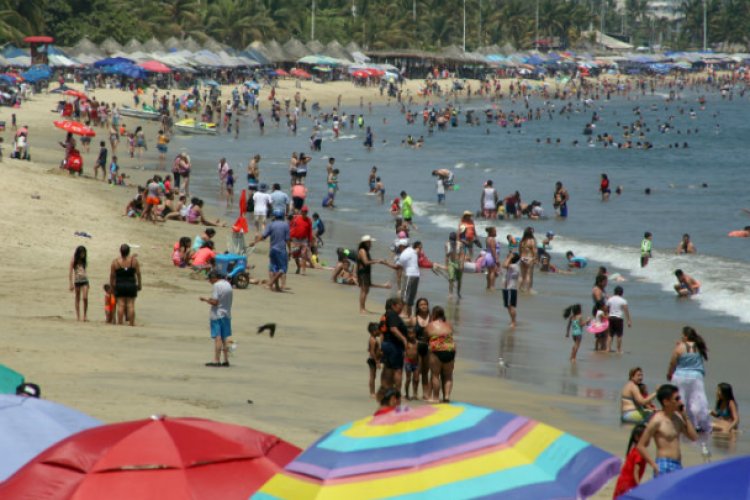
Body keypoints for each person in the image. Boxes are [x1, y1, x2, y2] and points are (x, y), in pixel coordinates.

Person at [637, 384, 699, 477]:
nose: (680, 402)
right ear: (666, 402)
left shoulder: (677, 419)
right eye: (677, 399)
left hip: (677, 464)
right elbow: (641, 445)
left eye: (680, 398)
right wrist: (654, 465)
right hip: (663, 464)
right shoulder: (657, 420)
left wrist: (685, 416)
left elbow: (694, 437)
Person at [667, 326, 711, 434]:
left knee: (680, 400)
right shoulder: (699, 346)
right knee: (698, 400)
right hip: (696, 377)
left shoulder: (680, 347)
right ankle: (699, 424)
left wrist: (669, 373)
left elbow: (673, 362)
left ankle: (681, 423)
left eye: (682, 335)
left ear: (686, 336)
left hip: (680, 376)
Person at [200, 270, 233, 367]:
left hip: (217, 315)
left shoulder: (217, 285)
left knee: (218, 338)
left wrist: (205, 299)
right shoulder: (228, 284)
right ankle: (226, 360)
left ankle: (216, 360)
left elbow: (215, 302)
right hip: (227, 314)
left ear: (214, 278)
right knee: (224, 338)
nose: (209, 281)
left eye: (210, 279)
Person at [253, 209, 290, 292]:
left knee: (273, 268)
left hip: (272, 249)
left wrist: (254, 242)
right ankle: (271, 283)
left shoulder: (271, 225)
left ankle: (276, 287)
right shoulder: (286, 225)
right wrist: (290, 250)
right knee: (282, 269)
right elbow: (288, 239)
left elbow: (263, 236)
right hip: (281, 250)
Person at [426, 305, 456, 403]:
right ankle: (446, 396)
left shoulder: (431, 325)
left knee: (435, 375)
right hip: (450, 349)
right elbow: (451, 334)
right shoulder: (449, 324)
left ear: (433, 314)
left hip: (437, 349)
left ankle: (435, 397)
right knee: (448, 375)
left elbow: (426, 337)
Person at [356, 235, 390, 314]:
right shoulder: (362, 251)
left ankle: (363, 308)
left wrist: (379, 260)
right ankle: (362, 309)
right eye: (370, 242)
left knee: (366, 290)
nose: (371, 244)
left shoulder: (365, 250)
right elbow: (366, 262)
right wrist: (378, 261)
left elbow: (369, 261)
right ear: (366, 243)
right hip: (363, 273)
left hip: (365, 272)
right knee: (364, 291)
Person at [110, 244, 141, 326]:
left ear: (120, 251)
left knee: (121, 304)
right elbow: (138, 274)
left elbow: (112, 275)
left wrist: (112, 286)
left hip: (120, 285)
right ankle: (131, 323)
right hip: (131, 284)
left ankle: (120, 323)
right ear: (129, 251)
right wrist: (139, 284)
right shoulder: (134, 261)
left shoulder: (115, 262)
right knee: (131, 304)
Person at [381, 298, 408, 391]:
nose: (402, 308)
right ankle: (397, 392)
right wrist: (404, 340)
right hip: (394, 346)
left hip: (387, 343)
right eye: (401, 305)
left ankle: (385, 389)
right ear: (393, 305)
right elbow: (393, 329)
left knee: (388, 368)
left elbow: (382, 332)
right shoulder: (393, 314)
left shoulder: (386, 315)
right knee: (397, 370)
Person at [612, 424, 647, 498]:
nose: (648, 439)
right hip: (629, 486)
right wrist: (639, 487)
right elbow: (636, 472)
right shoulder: (639, 453)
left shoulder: (634, 450)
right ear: (637, 437)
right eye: (646, 436)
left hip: (621, 483)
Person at [394, 240, 422, 318]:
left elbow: (396, 267)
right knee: (411, 296)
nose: (398, 248)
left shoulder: (404, 254)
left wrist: (385, 263)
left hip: (410, 275)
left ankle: (404, 313)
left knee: (404, 295)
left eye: (399, 246)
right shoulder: (412, 250)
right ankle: (409, 313)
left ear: (402, 246)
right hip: (417, 275)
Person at [606, 286, 632, 353]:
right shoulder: (623, 300)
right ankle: (618, 349)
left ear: (614, 292)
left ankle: (608, 348)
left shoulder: (610, 299)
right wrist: (629, 320)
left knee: (610, 334)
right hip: (618, 318)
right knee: (619, 335)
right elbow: (626, 311)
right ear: (622, 293)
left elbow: (607, 308)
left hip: (611, 317)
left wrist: (607, 316)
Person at [289, 206, 313, 275]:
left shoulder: (309, 221)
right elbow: (291, 227)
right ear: (301, 212)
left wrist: (310, 241)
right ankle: (298, 267)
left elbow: (310, 232)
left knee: (303, 254)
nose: (304, 213)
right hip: (296, 239)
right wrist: (290, 236)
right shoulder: (296, 219)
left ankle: (303, 270)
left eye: (306, 212)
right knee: (295, 255)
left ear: (307, 212)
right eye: (303, 211)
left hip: (304, 240)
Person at [69, 246, 89, 322]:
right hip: (77, 281)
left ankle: (85, 315)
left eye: (84, 253)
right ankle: (78, 316)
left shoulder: (84, 260)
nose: (83, 254)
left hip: (85, 280)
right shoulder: (74, 260)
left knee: (85, 297)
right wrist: (70, 283)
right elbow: (70, 272)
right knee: (77, 298)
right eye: (81, 253)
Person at [501, 252, 521, 327]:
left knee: (510, 306)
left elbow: (504, 265)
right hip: (508, 288)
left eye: (509, 256)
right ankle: (513, 321)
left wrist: (509, 257)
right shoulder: (513, 266)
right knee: (509, 306)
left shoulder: (514, 266)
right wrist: (509, 257)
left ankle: (513, 322)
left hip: (510, 288)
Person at [445, 232, 464, 298]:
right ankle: (450, 293)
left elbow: (462, 255)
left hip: (458, 262)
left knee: (459, 279)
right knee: (451, 278)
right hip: (451, 262)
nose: (452, 242)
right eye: (451, 240)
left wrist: (461, 265)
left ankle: (458, 292)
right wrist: (446, 266)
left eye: (453, 240)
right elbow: (446, 256)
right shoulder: (447, 244)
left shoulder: (460, 244)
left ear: (456, 239)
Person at [518, 227, 537, 293]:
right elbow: (534, 250)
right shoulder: (532, 240)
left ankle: (520, 288)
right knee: (529, 274)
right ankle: (528, 289)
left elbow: (519, 250)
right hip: (529, 258)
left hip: (522, 258)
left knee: (522, 275)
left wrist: (521, 257)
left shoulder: (522, 240)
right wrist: (535, 258)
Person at [403, 328, 420, 400]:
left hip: (416, 363)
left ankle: (415, 394)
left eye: (413, 333)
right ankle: (406, 394)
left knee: (416, 379)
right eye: (409, 334)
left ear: (415, 334)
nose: (411, 335)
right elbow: (403, 353)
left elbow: (419, 354)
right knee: (408, 379)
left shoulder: (417, 343)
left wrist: (420, 364)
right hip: (408, 362)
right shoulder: (406, 343)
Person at [367, 322, 382, 398]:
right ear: (374, 331)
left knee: (374, 376)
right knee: (372, 376)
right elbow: (372, 352)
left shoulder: (374, 339)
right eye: (379, 330)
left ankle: (372, 392)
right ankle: (372, 392)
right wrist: (377, 361)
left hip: (374, 359)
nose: (380, 332)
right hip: (372, 359)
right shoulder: (373, 340)